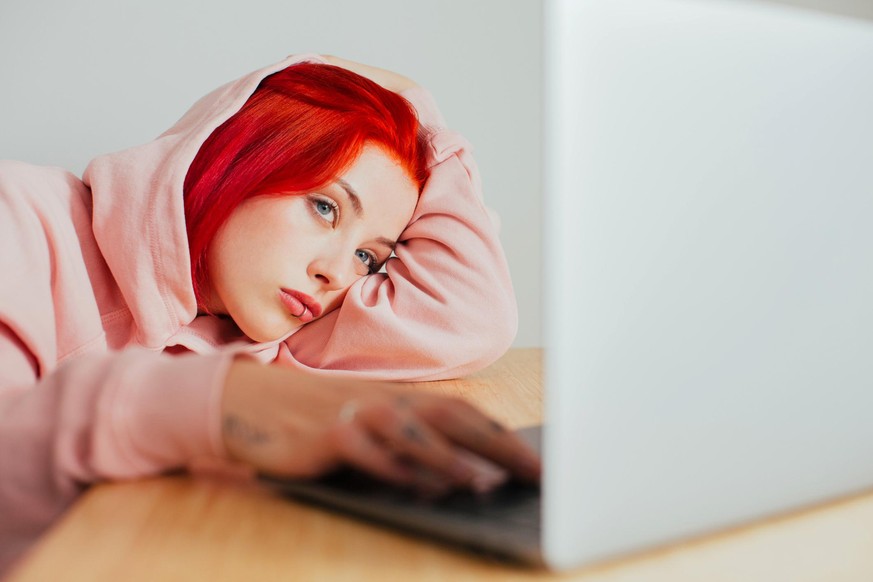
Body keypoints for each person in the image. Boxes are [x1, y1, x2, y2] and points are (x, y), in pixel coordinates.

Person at [0, 54, 539, 575]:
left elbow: (472, 316)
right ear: (242, 156)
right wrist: (219, 402)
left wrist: (424, 130)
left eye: (367, 257)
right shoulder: (19, 219)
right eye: (325, 207)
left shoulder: (272, 340)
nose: (338, 275)